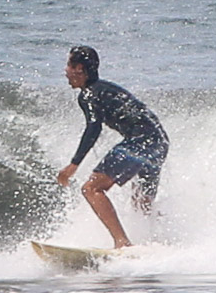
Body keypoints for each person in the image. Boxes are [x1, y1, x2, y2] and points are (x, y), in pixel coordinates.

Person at [55, 45, 169, 248]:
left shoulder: (89, 94)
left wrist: (74, 164)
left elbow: (93, 127)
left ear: (79, 68)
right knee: (141, 203)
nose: (65, 71)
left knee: (91, 189)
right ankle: (158, 242)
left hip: (140, 142)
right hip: (159, 142)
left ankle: (121, 242)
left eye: (68, 65)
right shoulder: (106, 88)